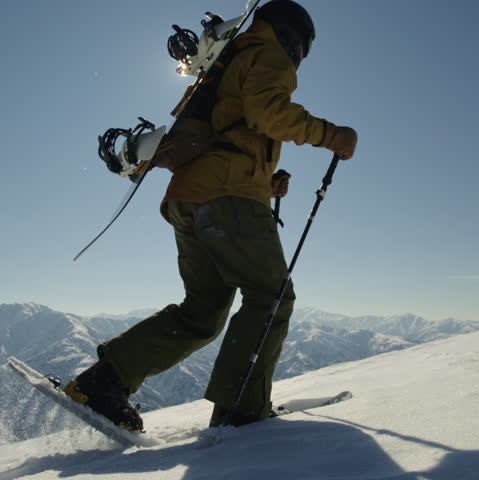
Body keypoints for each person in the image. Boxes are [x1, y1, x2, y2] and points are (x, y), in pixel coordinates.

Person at [64, 0, 358, 431]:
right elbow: (269, 113)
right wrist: (334, 136)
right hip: (227, 199)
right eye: (302, 51)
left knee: (202, 311)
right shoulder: (269, 52)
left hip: (189, 199)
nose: (298, 59)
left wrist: (265, 183)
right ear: (295, 39)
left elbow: (229, 131)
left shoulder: (227, 60)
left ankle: (102, 384)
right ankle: (240, 413)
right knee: (271, 298)